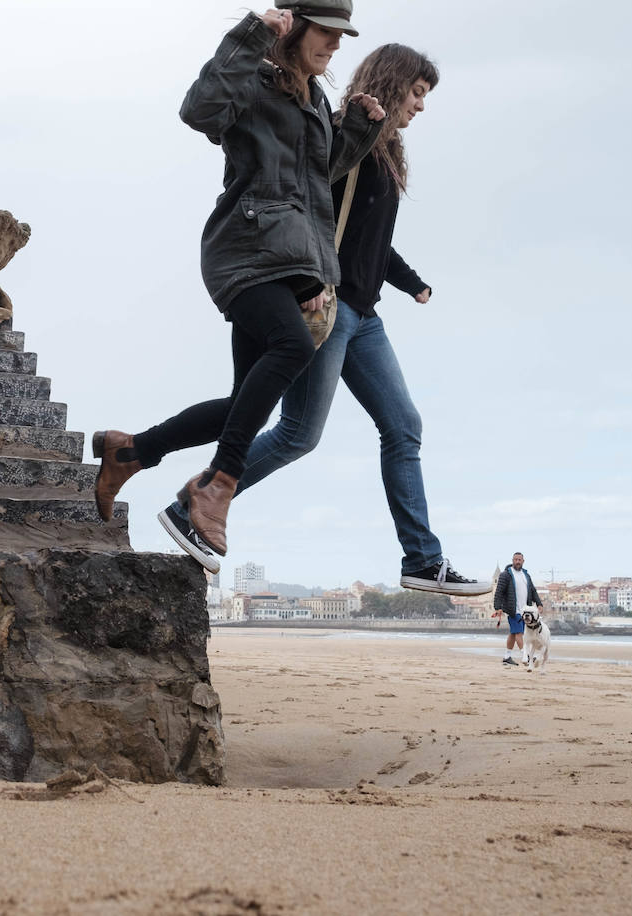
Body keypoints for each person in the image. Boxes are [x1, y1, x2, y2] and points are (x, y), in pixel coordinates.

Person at [155, 42, 487, 596]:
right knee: (297, 434)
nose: (421, 106)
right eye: (419, 93)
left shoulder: (384, 150)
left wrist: (412, 283)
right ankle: (196, 502)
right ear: (395, 80)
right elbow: (303, 215)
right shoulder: (339, 135)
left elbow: (371, 240)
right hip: (326, 306)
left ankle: (423, 561)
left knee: (404, 425)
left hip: (365, 315)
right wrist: (306, 283)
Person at [92, 2, 385, 573]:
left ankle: (131, 451)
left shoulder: (313, 96)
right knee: (292, 348)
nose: (336, 45)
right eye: (327, 32)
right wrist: (250, 35)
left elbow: (314, 178)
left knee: (243, 401)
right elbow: (198, 111)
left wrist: (359, 129)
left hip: (291, 256)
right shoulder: (252, 75)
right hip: (246, 253)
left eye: (342, 35)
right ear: (296, 26)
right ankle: (218, 485)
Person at [494, 552, 543, 666]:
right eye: (515, 559)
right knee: (519, 633)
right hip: (512, 610)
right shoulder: (506, 575)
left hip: (525, 611)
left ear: (523, 561)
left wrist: (539, 603)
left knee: (513, 633)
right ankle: (527, 655)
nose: (517, 561)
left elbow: (533, 591)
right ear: (512, 560)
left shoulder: (526, 575)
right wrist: (498, 607)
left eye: (519, 560)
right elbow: (499, 592)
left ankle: (507, 657)